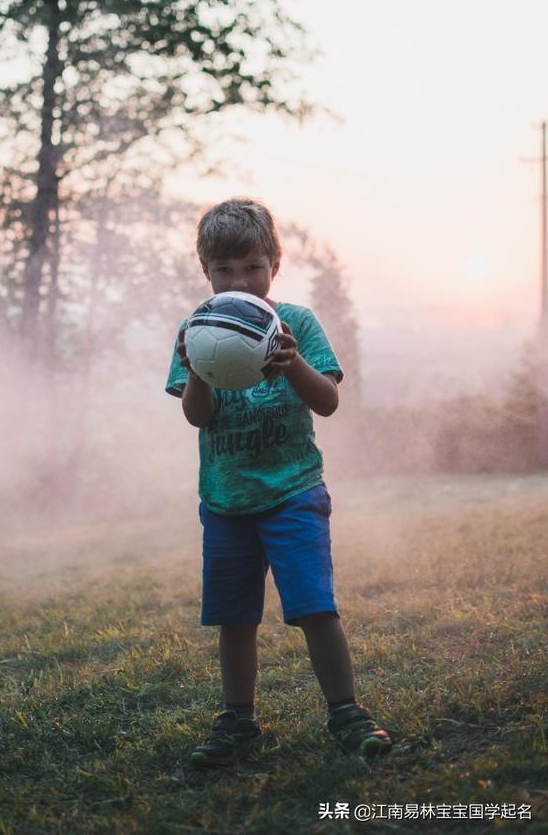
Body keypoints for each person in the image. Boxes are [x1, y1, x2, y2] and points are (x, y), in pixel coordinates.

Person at [165, 198, 392, 767]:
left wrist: (292, 362)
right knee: (234, 617)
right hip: (226, 500)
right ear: (205, 272)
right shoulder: (197, 329)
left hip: (294, 491)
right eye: (225, 269)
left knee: (316, 606)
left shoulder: (298, 323)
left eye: (251, 266)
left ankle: (346, 712)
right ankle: (238, 721)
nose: (239, 279)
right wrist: (195, 370)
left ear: (274, 264)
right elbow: (198, 417)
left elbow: (330, 401)